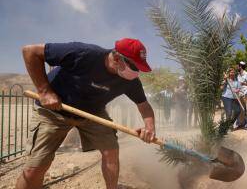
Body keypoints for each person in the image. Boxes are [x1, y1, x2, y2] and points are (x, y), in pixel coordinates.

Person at [16, 38, 156, 189]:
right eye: (134, 66)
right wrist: (44, 91)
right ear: (116, 58)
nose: (136, 72)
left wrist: (150, 127)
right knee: (35, 169)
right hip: (53, 111)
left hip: (93, 114)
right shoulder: (83, 54)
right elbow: (30, 51)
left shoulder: (130, 81)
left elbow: (144, 106)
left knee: (111, 152)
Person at [237, 61, 247, 127]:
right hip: (241, 94)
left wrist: (244, 83)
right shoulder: (238, 75)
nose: (236, 67)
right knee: (241, 108)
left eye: (238, 66)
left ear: (240, 67)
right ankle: (241, 122)